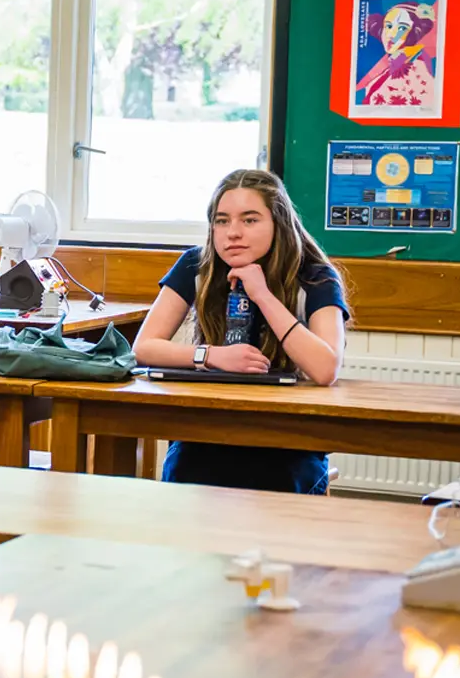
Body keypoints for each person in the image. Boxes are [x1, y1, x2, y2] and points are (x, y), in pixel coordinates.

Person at [132, 169, 348, 494]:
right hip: (209, 427)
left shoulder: (316, 275)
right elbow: (144, 347)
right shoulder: (197, 265)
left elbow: (325, 368)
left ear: (279, 223)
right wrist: (212, 356)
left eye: (249, 220)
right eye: (222, 221)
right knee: (183, 473)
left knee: (276, 484)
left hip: (287, 433)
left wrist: (262, 293)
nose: (232, 233)